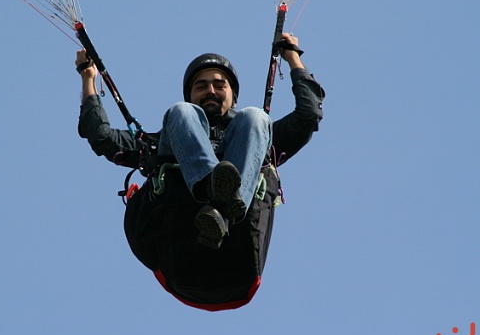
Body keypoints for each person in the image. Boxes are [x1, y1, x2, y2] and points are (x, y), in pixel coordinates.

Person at [77, 34, 325, 311]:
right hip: (183, 255)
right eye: (201, 86)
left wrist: (293, 59)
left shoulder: (256, 138)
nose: (210, 91)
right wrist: (88, 79)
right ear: (192, 95)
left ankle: (223, 209)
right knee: (181, 113)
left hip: (236, 262)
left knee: (256, 117)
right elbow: (102, 137)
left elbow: (308, 116)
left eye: (220, 85)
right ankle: (215, 192)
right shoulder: (160, 142)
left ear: (232, 96)